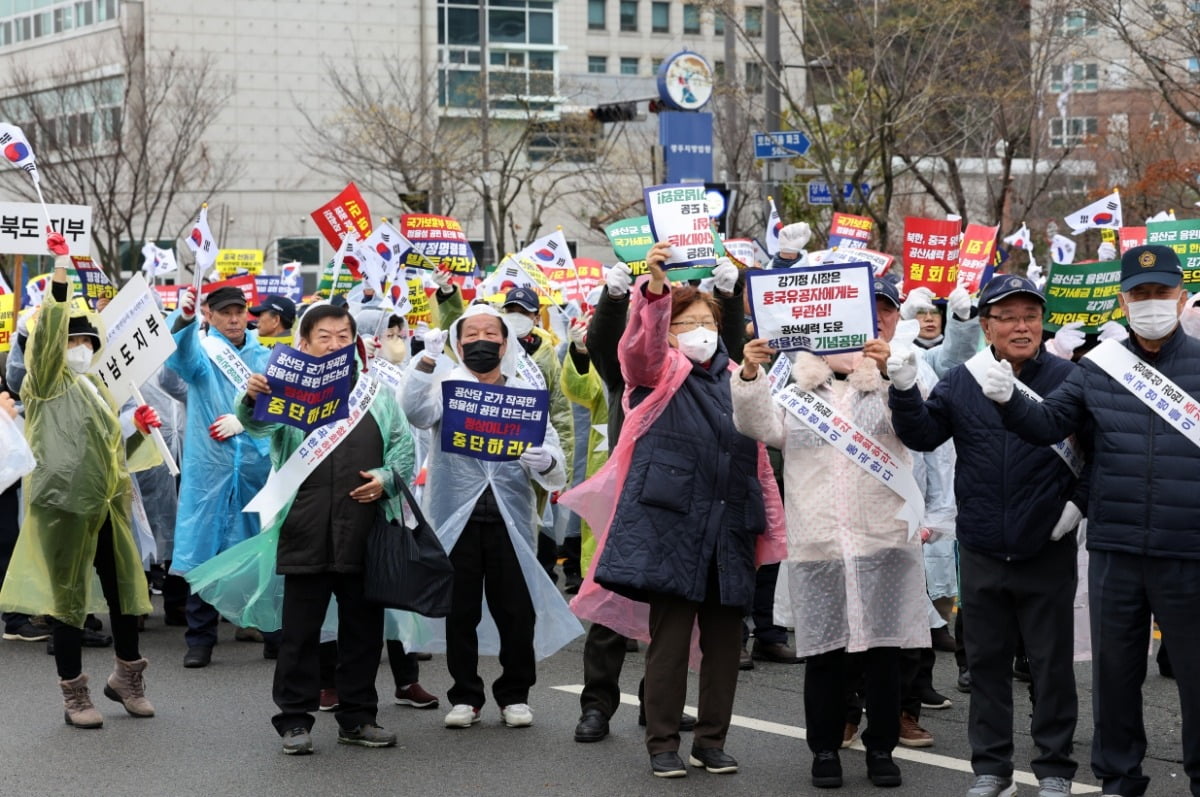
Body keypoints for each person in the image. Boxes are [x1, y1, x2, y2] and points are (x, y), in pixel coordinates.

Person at [984, 245, 1200, 797]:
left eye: (1161, 292)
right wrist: (1010, 399)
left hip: (1188, 549)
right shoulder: (1097, 370)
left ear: (1179, 295)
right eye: (1140, 294)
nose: (1152, 303)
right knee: (1116, 676)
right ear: (1124, 300)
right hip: (1115, 548)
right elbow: (1050, 424)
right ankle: (1118, 780)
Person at [575, 242, 783, 779]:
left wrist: (753, 372)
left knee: (724, 644)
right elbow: (637, 348)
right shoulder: (654, 375)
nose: (698, 330)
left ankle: (711, 741)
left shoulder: (738, 374)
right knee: (667, 645)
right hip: (671, 526)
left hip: (730, 524)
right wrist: (656, 291)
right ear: (668, 329)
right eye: (685, 322)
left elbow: (763, 431)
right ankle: (661, 742)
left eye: (706, 321)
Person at [888, 274, 1086, 797]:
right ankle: (991, 768)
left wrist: (1078, 504)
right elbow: (923, 435)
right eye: (1009, 317)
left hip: (1046, 542)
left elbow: (1100, 454)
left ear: (1043, 322)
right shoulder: (961, 379)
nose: (1022, 327)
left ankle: (1055, 770)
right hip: (979, 542)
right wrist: (905, 391)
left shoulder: (1070, 377)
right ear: (986, 325)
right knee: (987, 664)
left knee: (1050, 667)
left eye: (1031, 316)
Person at [732, 277, 927, 789]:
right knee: (824, 655)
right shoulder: (797, 392)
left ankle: (881, 749)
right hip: (818, 541)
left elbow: (918, 431)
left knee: (886, 653)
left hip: (883, 541)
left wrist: (893, 373)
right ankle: (824, 749)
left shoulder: (894, 380)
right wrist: (750, 372)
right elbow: (759, 426)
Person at [231, 301, 414, 754]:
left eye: (343, 336)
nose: (335, 345)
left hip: (365, 530)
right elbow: (256, 426)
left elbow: (404, 450)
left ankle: (358, 718)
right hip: (305, 527)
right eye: (324, 337)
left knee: (363, 633)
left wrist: (387, 479)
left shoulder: (375, 394)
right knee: (299, 634)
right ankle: (294, 719)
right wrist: (251, 397)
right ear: (305, 343)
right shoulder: (284, 389)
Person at [0, 232, 159, 728]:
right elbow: (46, 332)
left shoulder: (96, 386)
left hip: (108, 502)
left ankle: (126, 678)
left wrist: (137, 429)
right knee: (67, 598)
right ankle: (74, 694)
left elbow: (107, 445)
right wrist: (62, 271)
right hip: (62, 504)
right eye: (72, 339)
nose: (79, 347)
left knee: (126, 592)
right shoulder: (43, 382)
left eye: (86, 340)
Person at [402, 303, 575, 730]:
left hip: (510, 521)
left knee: (516, 611)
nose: (482, 341)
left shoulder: (522, 395)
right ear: (458, 344)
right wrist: (425, 361)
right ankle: (465, 695)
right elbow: (413, 412)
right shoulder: (448, 389)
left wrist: (545, 460)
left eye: (491, 334)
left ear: (505, 342)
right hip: (455, 519)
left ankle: (515, 694)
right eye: (471, 334)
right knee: (461, 611)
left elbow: (557, 459)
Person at [166, 285, 273, 668]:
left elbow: (282, 408)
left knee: (260, 552)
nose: (232, 318)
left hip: (256, 471)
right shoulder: (204, 353)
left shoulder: (265, 357)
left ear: (247, 314)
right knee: (204, 553)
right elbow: (178, 360)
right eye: (223, 312)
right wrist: (182, 319)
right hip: (208, 471)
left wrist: (245, 424)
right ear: (209, 315)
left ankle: (271, 632)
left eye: (238, 311)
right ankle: (200, 640)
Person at [500, 286, 575, 583]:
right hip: (501, 447)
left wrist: (562, 466)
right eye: (511, 311)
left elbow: (560, 410)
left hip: (537, 451)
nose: (517, 317)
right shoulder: (495, 345)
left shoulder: (547, 353)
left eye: (523, 312)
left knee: (537, 521)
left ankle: (539, 582)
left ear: (535, 315)